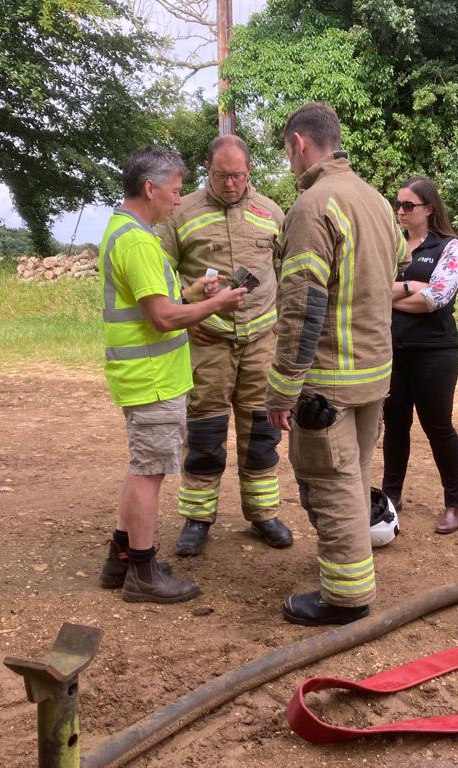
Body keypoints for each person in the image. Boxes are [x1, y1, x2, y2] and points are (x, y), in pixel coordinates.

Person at [266, 102, 406, 626]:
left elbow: (302, 310)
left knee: (332, 482)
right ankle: (351, 571)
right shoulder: (374, 201)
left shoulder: (312, 206)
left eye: (286, 152)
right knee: (355, 474)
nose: (288, 162)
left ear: (299, 144)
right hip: (373, 375)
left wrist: (281, 391)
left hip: (327, 383)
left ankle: (346, 599)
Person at [97, 146, 247, 603]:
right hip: (153, 378)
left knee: (142, 466)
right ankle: (142, 572)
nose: (179, 201)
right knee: (151, 472)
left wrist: (192, 290)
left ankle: (119, 558)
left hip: (141, 374)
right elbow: (162, 317)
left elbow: (155, 300)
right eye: (176, 192)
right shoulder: (141, 241)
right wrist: (215, 304)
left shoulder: (121, 229)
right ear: (150, 188)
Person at [158, 135, 293, 559]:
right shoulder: (182, 213)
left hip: (260, 343)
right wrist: (185, 309)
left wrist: (282, 327)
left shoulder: (273, 212)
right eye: (221, 175)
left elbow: (288, 273)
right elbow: (159, 273)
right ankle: (198, 519)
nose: (230, 184)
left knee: (262, 435)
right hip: (207, 342)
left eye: (237, 175)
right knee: (204, 433)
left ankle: (263, 514)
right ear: (208, 171)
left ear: (249, 171)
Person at [382, 176, 458, 534]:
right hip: (392, 353)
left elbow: (436, 298)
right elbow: (371, 293)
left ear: (429, 208)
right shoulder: (389, 246)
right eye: (397, 204)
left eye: (408, 205)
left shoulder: (449, 246)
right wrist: (408, 286)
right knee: (395, 426)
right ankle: (390, 496)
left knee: (438, 427)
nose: (400, 211)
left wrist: (395, 296)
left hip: (435, 353)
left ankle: (454, 503)